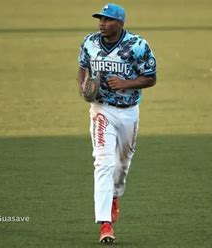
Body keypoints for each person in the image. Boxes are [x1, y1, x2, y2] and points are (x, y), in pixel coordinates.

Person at [76, 3, 157, 244]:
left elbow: (151, 78)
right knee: (103, 162)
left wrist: (125, 84)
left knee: (122, 163)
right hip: (101, 110)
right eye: (100, 19)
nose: (102, 23)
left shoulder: (138, 45)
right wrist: (83, 88)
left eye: (108, 19)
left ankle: (114, 196)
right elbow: (82, 69)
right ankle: (105, 225)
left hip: (129, 112)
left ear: (120, 23)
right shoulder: (89, 42)